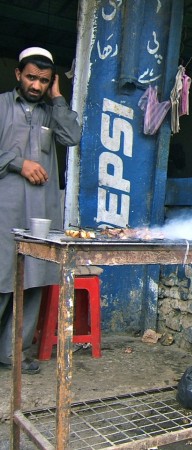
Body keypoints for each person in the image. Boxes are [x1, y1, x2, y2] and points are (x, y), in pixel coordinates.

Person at [0, 47, 82, 374]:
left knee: (31, 283)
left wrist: (59, 98)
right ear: (18, 74)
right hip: (5, 213)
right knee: (2, 279)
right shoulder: (3, 105)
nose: (36, 86)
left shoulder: (52, 112)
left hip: (40, 214)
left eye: (44, 81)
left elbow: (72, 135)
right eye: (31, 77)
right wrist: (19, 163)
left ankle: (13, 355)